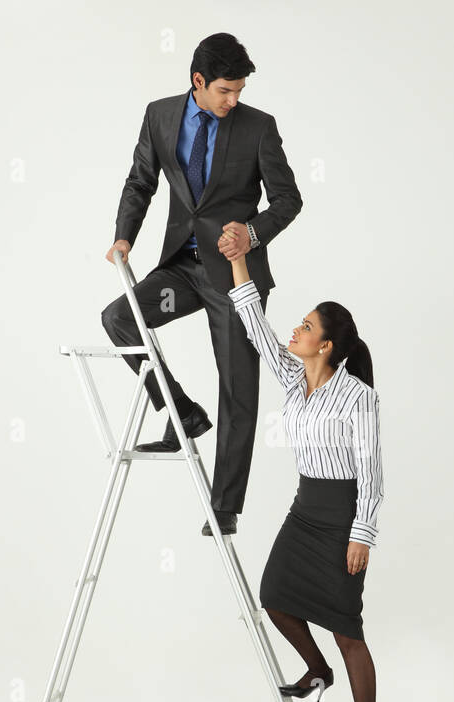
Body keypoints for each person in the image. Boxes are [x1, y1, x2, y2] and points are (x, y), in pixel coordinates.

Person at [102, 33, 302, 537]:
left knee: (238, 387)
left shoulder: (259, 127)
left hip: (234, 279)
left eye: (239, 92)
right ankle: (181, 411)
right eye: (225, 92)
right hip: (181, 270)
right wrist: (124, 237)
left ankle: (226, 504)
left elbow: (288, 199)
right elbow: (141, 180)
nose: (234, 101)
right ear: (198, 82)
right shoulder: (160, 115)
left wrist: (252, 231)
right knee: (120, 317)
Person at [219, 230, 386, 702]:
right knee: (274, 596)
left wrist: (362, 533)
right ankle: (317, 670)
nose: (297, 329)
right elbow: (255, 326)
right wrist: (240, 261)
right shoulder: (294, 381)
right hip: (304, 508)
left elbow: (372, 471)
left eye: (308, 326)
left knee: (347, 628)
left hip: (341, 517)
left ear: (327, 345)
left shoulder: (358, 396)